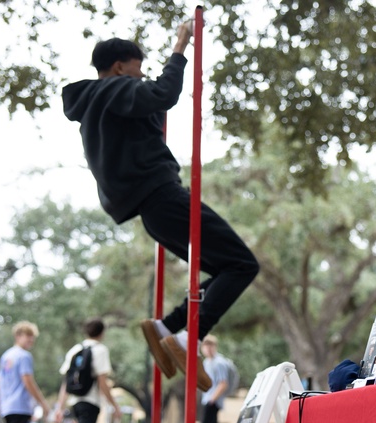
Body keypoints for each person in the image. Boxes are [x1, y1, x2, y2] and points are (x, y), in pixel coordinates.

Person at [62, 20, 259, 393]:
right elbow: (164, 94)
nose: (142, 73)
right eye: (138, 65)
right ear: (120, 66)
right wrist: (180, 47)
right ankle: (189, 340)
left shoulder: (95, 105)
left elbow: (147, 118)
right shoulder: (117, 88)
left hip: (150, 209)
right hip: (163, 197)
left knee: (223, 269)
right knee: (243, 264)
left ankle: (168, 327)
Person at [199, 335, 232, 423]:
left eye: (210, 345)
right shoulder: (207, 362)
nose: (208, 348)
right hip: (207, 398)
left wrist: (213, 399)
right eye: (205, 345)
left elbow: (223, 383)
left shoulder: (219, 362)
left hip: (213, 400)